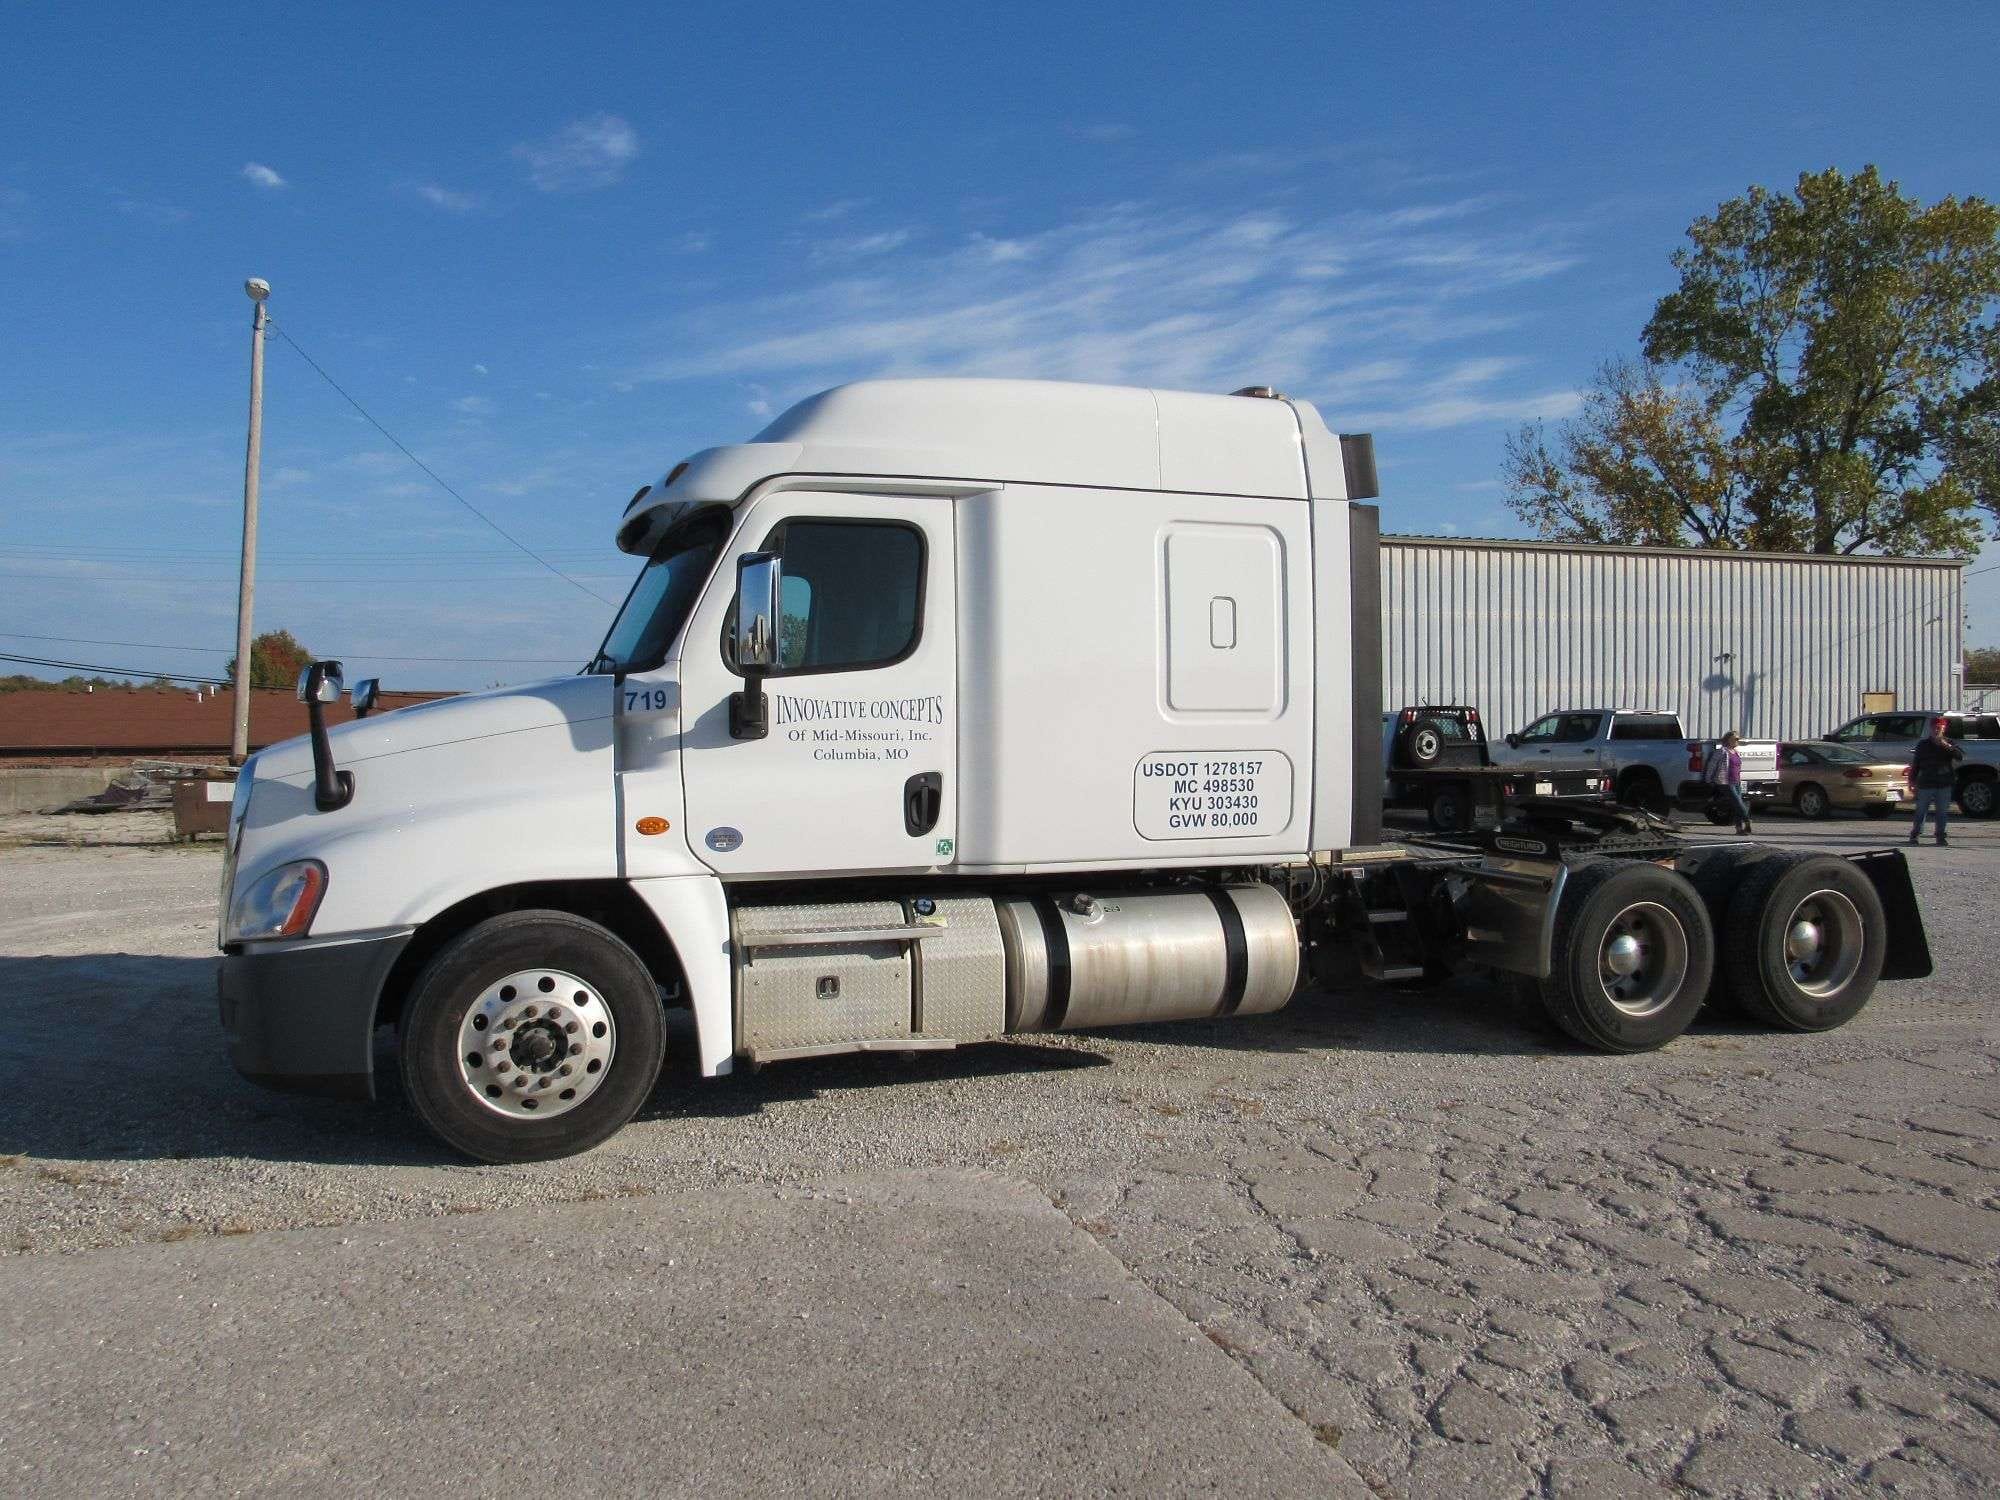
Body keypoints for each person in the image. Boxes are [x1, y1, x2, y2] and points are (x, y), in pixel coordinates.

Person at [1906, 717, 1963, 846]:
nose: (1937, 729)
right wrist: (1912, 780)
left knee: (1942, 812)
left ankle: (1940, 837)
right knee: (1921, 811)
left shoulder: (1949, 743)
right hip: (1926, 783)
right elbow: (1916, 764)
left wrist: (1946, 746)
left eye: (1940, 727)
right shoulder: (1923, 744)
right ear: (1931, 728)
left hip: (1944, 783)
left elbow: (1960, 756)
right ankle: (1915, 835)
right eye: (1935, 727)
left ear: (1944, 729)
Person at [1704, 730, 1752, 835]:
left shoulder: (1736, 752)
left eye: (1738, 739)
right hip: (1725, 782)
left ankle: (1739, 829)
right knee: (1738, 803)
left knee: (1736, 805)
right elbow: (1712, 765)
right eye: (1735, 739)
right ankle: (1747, 821)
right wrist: (1708, 779)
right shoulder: (1722, 751)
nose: (1737, 741)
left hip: (1737, 781)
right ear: (1728, 740)